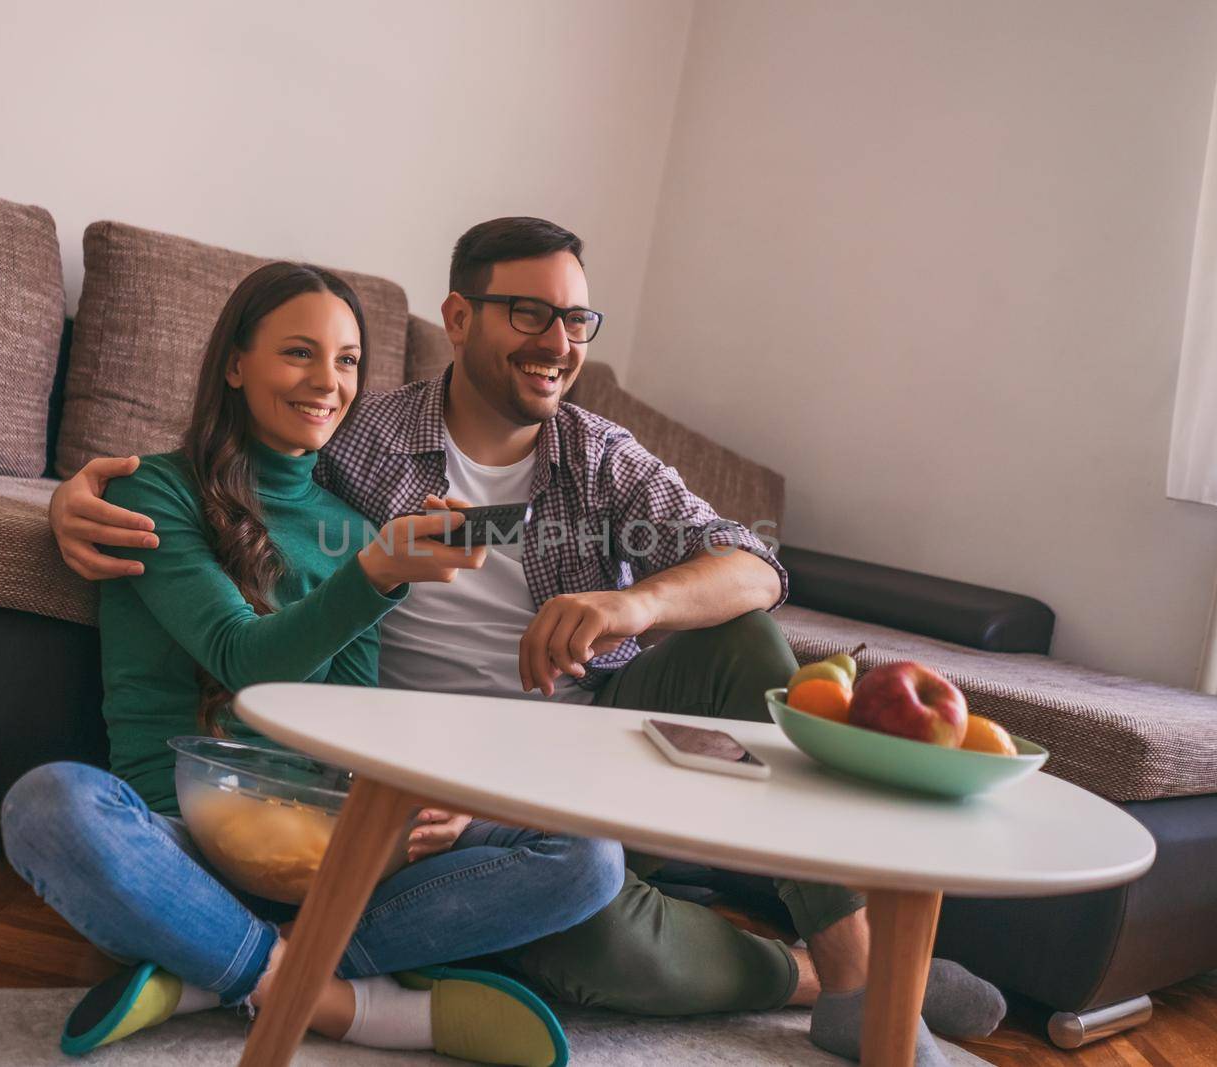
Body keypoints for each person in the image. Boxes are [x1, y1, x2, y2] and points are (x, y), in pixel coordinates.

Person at [49, 219, 1006, 1064]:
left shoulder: (597, 454)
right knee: (579, 915)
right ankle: (341, 991)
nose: (558, 343)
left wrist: (631, 607)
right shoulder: (357, 447)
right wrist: (64, 498)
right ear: (458, 319)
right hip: (423, 789)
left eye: (576, 320)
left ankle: (860, 984)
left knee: (751, 645)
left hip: (583, 764)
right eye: (528, 314)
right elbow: (233, 479)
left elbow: (754, 565)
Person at [2, 261, 624, 1065]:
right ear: (236, 363)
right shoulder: (157, 493)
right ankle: (348, 1003)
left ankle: (212, 969)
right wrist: (375, 577)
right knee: (48, 804)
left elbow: (348, 724)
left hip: (320, 848)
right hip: (183, 836)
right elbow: (240, 658)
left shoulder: (355, 524)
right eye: (299, 353)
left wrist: (423, 803)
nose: (327, 382)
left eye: (347, 360)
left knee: (587, 852)